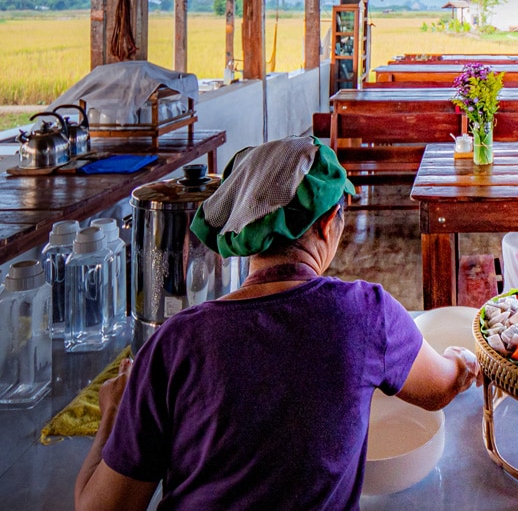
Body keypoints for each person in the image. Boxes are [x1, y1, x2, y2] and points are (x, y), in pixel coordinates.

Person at [75, 137, 482, 510]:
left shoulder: (175, 342)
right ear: (327, 223)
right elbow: (441, 387)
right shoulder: (365, 313)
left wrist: (112, 417)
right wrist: (462, 360)